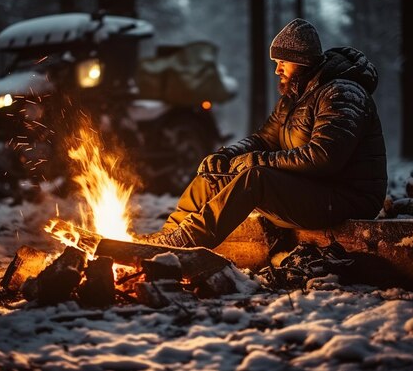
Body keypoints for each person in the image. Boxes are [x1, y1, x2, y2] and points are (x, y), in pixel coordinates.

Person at [139, 18, 387, 248]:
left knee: (255, 178)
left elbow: (323, 157)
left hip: (347, 198)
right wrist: (227, 156)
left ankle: (188, 240)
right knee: (213, 173)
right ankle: (169, 235)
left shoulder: (342, 94)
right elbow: (265, 140)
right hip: (313, 189)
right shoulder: (294, 97)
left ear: (302, 61)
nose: (277, 71)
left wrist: (252, 161)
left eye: (282, 63)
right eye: (276, 64)